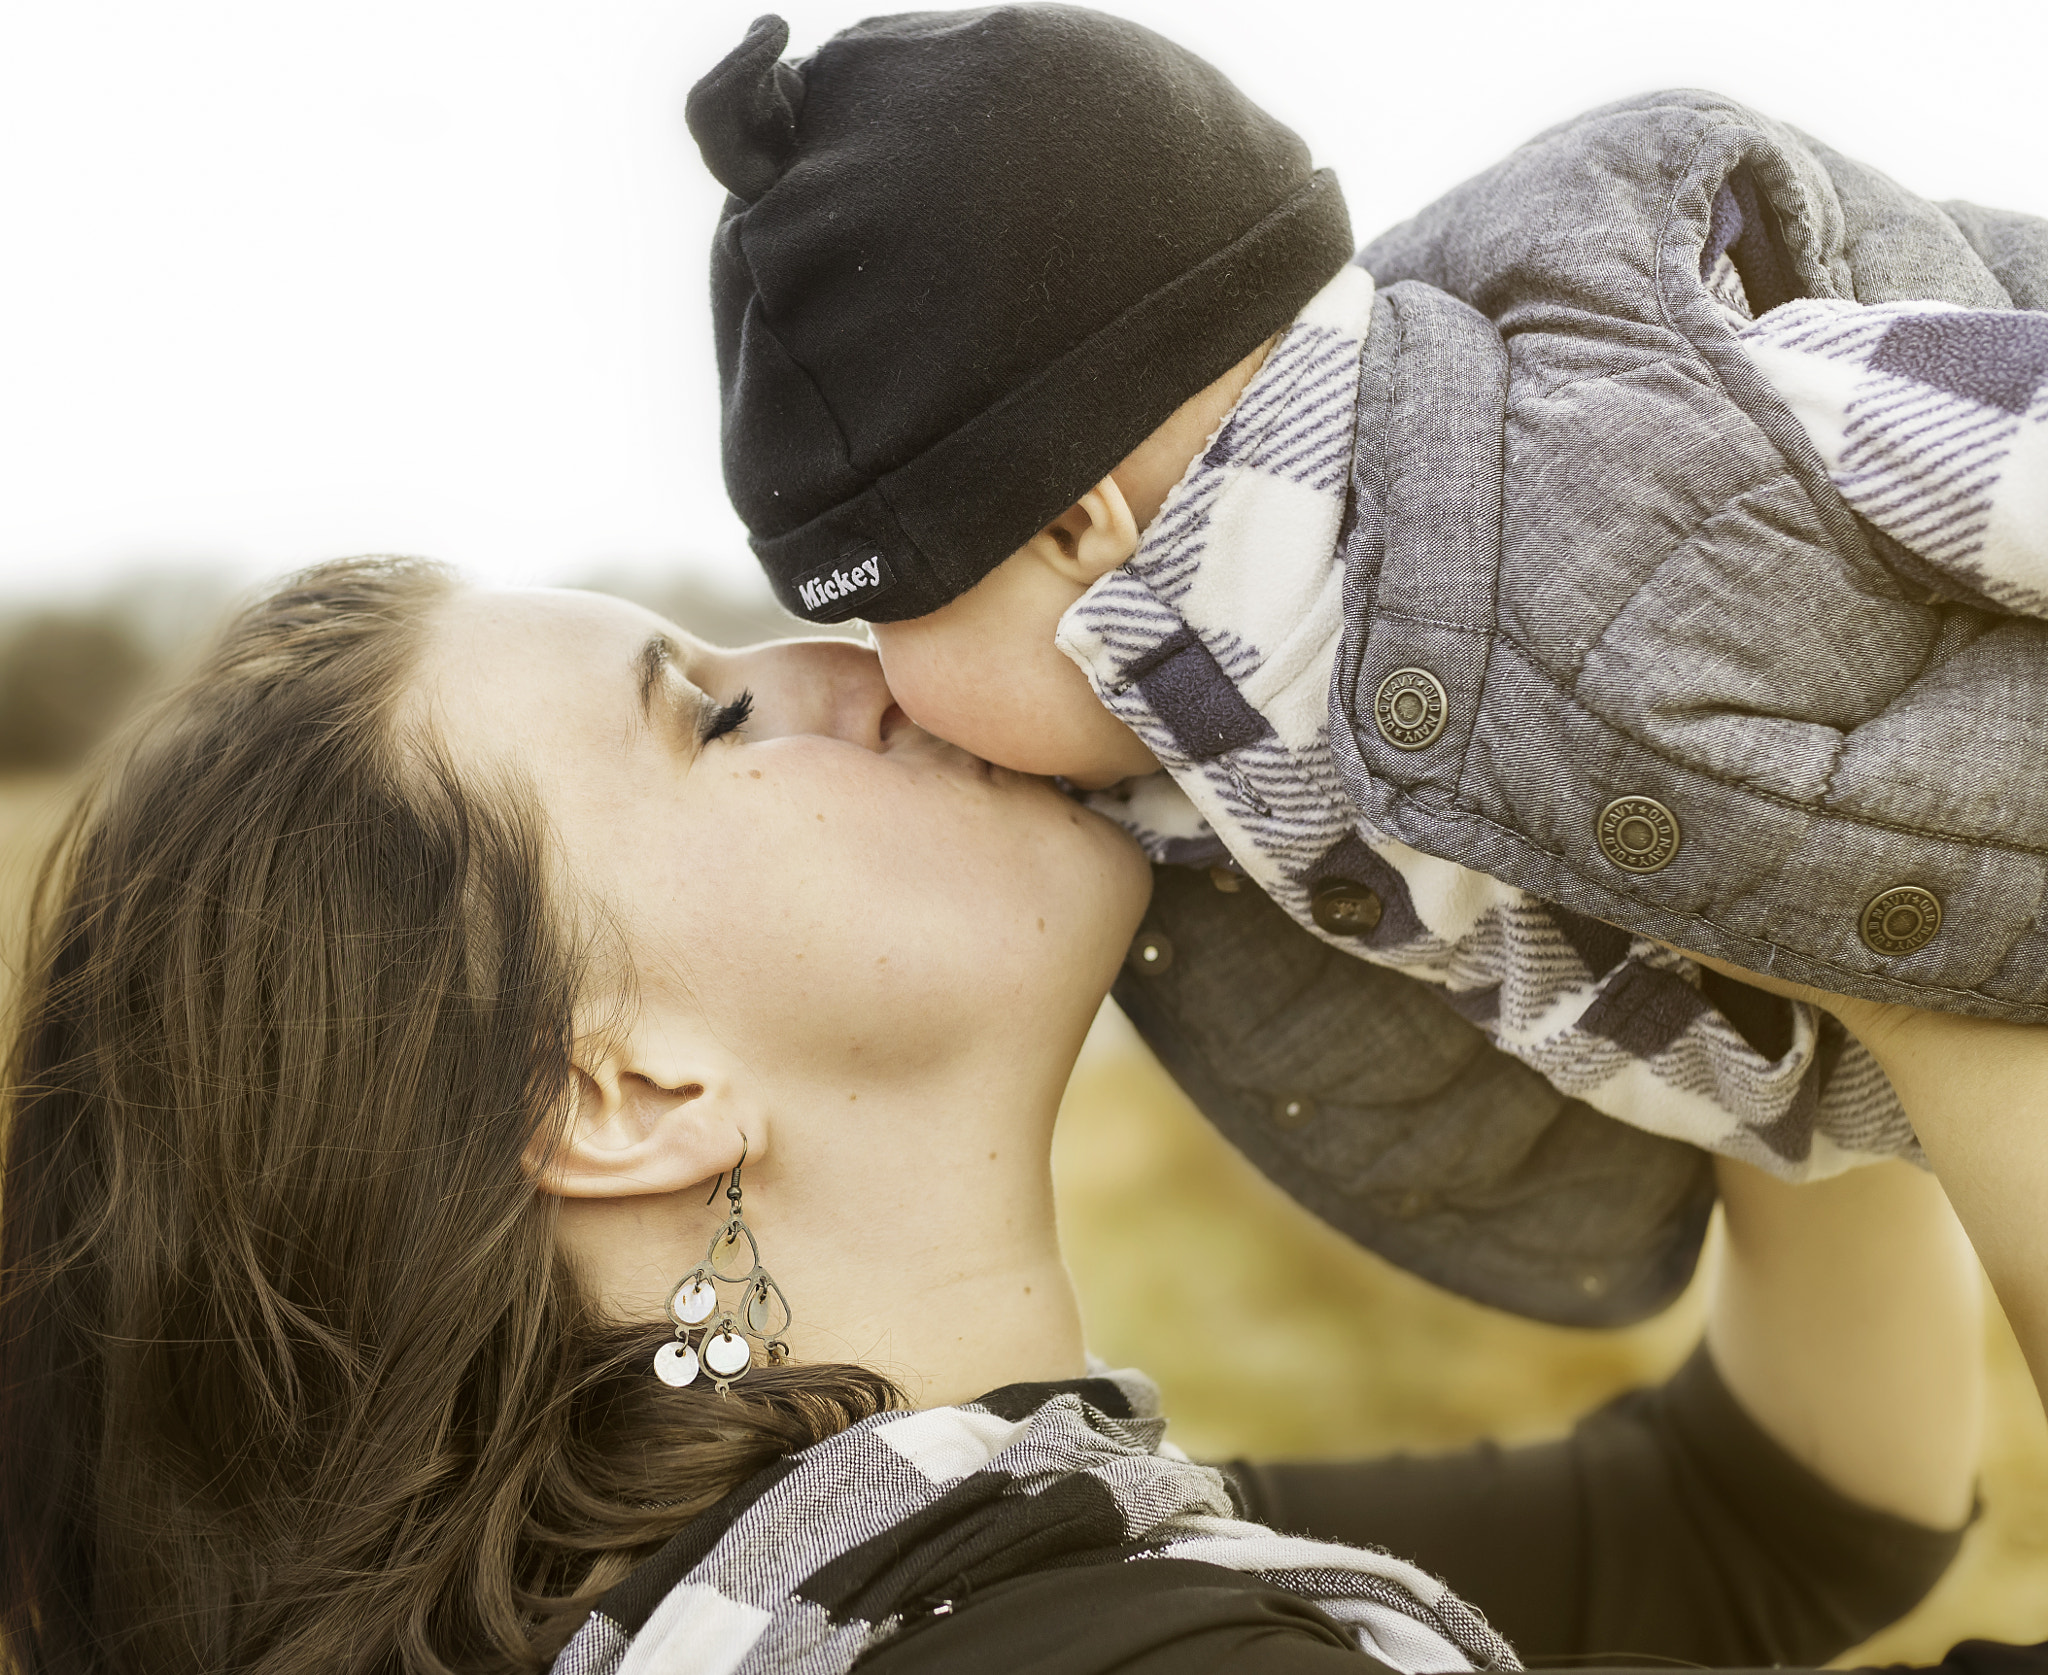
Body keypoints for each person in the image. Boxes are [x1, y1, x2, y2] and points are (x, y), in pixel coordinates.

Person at [0, 558, 2007, 1673]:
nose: (853, 662)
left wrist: (1747, 889)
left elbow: (1775, 1527)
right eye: (706, 708)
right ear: (624, 1091)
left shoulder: (915, 1587)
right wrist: (1922, 852)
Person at [682, 6, 2048, 1405]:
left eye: (879, 614)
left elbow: (1995, 445)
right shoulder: (1189, 767)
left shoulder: (1618, 414)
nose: (877, 679)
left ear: (1074, 532)